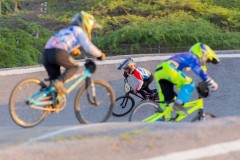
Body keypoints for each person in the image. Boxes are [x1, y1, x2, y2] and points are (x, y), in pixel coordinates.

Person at [42, 11, 105, 94]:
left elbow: (63, 41)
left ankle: (50, 101)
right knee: (74, 67)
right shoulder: (79, 31)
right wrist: (99, 54)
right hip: (57, 52)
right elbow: (88, 47)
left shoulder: (67, 29)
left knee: (55, 85)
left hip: (46, 54)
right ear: (87, 24)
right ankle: (58, 83)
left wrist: (73, 50)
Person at [154, 43, 220, 113]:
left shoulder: (186, 56)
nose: (206, 62)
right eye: (207, 59)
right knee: (189, 83)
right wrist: (210, 81)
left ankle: (158, 121)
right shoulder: (192, 57)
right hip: (168, 68)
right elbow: (199, 70)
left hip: (159, 71)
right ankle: (179, 104)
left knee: (166, 104)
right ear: (202, 53)